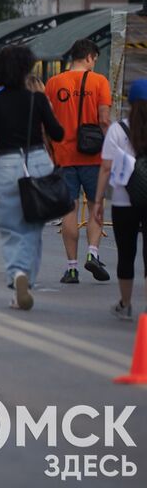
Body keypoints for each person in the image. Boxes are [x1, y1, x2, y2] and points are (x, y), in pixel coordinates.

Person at [0, 45, 64, 310]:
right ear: (27, 68)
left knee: (10, 228)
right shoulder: (36, 100)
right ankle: (28, 278)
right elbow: (58, 134)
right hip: (37, 162)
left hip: (5, 164)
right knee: (33, 227)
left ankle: (17, 275)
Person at [44, 39, 112, 284]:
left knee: (68, 210)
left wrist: (51, 149)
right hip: (93, 155)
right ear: (90, 57)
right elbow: (104, 118)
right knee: (96, 204)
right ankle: (92, 253)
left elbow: (46, 122)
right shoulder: (99, 81)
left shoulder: (53, 83)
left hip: (63, 155)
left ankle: (71, 268)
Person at [92, 78, 147, 320]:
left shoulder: (118, 129)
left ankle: (125, 304)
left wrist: (98, 201)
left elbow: (105, 169)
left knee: (126, 253)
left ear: (131, 103)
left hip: (124, 201)